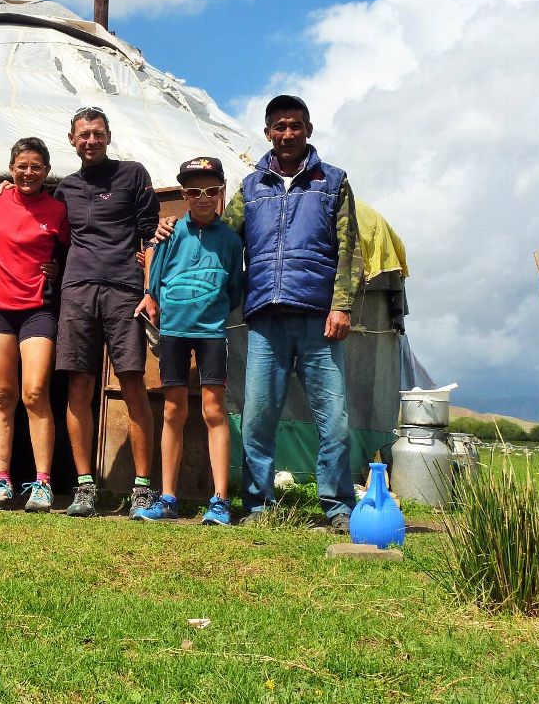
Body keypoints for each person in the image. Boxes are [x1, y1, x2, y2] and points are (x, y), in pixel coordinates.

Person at [158, 95, 361, 531]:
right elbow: (216, 233)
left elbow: (350, 249)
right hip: (265, 315)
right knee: (257, 417)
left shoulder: (333, 181)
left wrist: (342, 304)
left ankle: (338, 506)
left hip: (316, 316)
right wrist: (173, 226)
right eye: (279, 127)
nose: (287, 134)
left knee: (335, 418)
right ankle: (257, 505)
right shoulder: (251, 189)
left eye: (295, 125)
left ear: (308, 129)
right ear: (267, 132)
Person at [55, 106, 160, 518]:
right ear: (72, 140)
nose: (90, 140)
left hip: (124, 289)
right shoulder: (65, 188)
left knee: (133, 383)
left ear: (109, 135)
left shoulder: (132, 174)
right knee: (78, 385)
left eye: (97, 133)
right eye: (83, 134)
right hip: (77, 290)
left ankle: (142, 487)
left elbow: (152, 232)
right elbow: (39, 222)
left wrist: (150, 286)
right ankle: (84, 486)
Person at [132, 157, 243, 524]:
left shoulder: (230, 239)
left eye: (211, 191)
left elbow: (236, 288)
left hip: (211, 331)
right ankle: (167, 498)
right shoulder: (169, 232)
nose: (203, 198)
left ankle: (220, 500)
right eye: (194, 191)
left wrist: (213, 310)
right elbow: (155, 276)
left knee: (214, 410)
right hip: (174, 331)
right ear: (183, 194)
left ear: (221, 192)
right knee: (172, 410)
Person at [0, 138, 69, 513]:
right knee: (2, 396)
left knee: (34, 393)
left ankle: (43, 483)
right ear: (11, 168)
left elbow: (72, 250)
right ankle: (1, 481)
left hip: (38, 309)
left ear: (46, 171)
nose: (28, 173)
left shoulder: (58, 210)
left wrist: (60, 270)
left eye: (36, 166)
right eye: (21, 166)